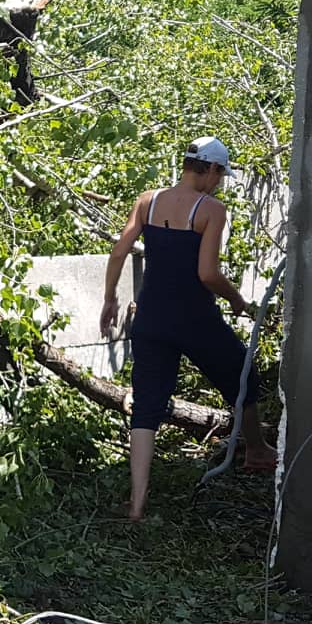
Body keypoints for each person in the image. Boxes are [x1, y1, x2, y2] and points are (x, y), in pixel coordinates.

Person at [98, 136, 277, 521]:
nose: (219, 183)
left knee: (145, 408)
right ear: (210, 169)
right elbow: (207, 273)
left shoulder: (148, 200)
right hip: (195, 319)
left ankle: (137, 505)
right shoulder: (211, 209)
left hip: (151, 319)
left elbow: (119, 250)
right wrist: (236, 300)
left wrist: (110, 297)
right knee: (242, 373)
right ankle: (258, 449)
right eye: (219, 175)